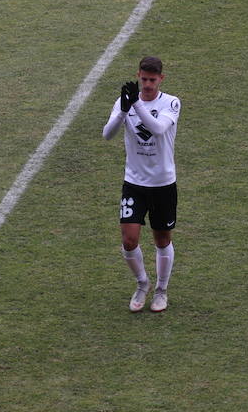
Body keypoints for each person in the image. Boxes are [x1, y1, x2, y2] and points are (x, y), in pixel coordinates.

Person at [102, 56, 181, 312]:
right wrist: (124, 110)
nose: (147, 85)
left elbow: (158, 129)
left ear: (161, 79)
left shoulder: (171, 102)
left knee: (161, 239)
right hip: (134, 183)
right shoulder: (125, 102)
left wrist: (136, 104)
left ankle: (161, 290)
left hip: (163, 184)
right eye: (143, 79)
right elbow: (107, 134)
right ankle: (142, 283)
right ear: (138, 75)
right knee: (129, 240)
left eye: (152, 80)